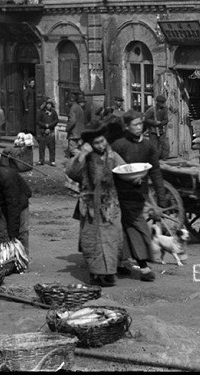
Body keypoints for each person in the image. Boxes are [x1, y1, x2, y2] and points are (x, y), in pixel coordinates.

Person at [66, 120, 127, 288]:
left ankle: (109, 273)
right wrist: (82, 155)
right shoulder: (85, 157)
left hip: (110, 204)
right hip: (90, 205)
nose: (101, 145)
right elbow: (71, 172)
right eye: (96, 143)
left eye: (102, 141)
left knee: (111, 239)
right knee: (92, 240)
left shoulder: (112, 155)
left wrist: (133, 176)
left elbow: (124, 169)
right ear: (90, 144)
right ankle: (94, 273)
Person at [111, 110, 169, 282]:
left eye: (140, 124)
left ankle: (122, 263)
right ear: (127, 127)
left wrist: (161, 196)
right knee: (136, 227)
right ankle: (143, 267)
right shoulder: (119, 145)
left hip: (139, 193)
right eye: (135, 125)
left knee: (128, 227)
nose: (139, 127)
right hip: (120, 193)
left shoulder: (149, 145)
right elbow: (112, 170)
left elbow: (155, 171)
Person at [143, 94, 171, 159]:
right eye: (161, 103)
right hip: (153, 130)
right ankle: (154, 158)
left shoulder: (165, 109)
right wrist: (154, 122)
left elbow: (166, 120)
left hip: (161, 129)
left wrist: (160, 123)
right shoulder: (152, 109)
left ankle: (165, 157)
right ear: (158, 102)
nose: (163, 104)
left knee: (165, 144)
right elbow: (146, 119)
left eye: (163, 103)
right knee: (154, 145)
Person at [37, 98, 59, 166]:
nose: (48, 106)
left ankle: (52, 161)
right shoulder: (41, 112)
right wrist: (45, 125)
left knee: (52, 147)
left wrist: (49, 126)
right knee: (42, 147)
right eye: (47, 104)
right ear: (45, 105)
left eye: (50, 104)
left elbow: (56, 121)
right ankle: (41, 160)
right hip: (43, 131)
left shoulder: (54, 112)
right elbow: (38, 121)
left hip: (51, 131)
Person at [21, 78, 38, 142]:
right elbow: (25, 98)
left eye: (33, 83)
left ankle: (32, 130)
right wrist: (26, 107)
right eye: (32, 83)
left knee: (32, 119)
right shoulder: (27, 90)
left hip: (33, 106)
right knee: (28, 119)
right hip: (29, 106)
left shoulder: (33, 90)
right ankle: (28, 130)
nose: (33, 84)